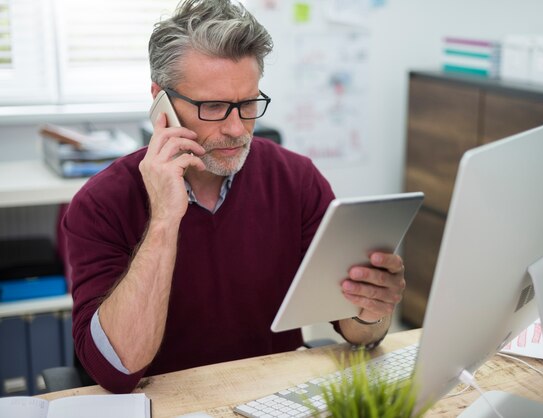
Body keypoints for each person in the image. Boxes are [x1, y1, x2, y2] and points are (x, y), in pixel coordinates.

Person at [62, 0, 406, 394]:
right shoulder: (100, 203)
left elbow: (356, 333)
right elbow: (117, 370)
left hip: (274, 396)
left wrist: (372, 309)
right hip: (169, 404)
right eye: (213, 107)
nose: (236, 128)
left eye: (247, 104)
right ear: (161, 101)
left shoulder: (297, 179)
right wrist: (164, 218)